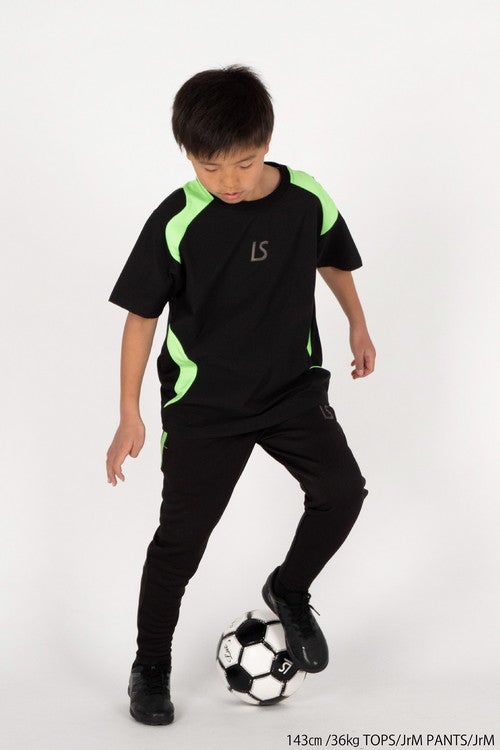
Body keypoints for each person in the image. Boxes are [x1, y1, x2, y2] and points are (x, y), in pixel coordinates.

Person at [106, 64, 375, 726]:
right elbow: (141, 317)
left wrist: (358, 323)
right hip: (206, 407)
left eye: (245, 164)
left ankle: (288, 589)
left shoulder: (305, 197)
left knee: (343, 491)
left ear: (267, 142)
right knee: (180, 543)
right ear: (187, 156)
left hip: (289, 389)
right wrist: (129, 413)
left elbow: (331, 259)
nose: (228, 180)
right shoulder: (179, 219)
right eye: (209, 167)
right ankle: (150, 666)